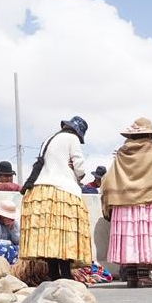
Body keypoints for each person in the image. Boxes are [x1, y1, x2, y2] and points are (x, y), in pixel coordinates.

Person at [101, 117, 152, 288]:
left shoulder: (122, 152)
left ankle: (132, 277)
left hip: (125, 201)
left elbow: (110, 178)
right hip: (149, 201)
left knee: (130, 238)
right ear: (150, 134)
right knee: (145, 237)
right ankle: (144, 277)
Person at [19, 116, 93, 281]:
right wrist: (77, 173)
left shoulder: (48, 140)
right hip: (63, 190)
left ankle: (53, 275)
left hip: (41, 191)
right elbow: (79, 167)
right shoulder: (72, 139)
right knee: (65, 235)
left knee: (50, 236)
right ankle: (66, 275)